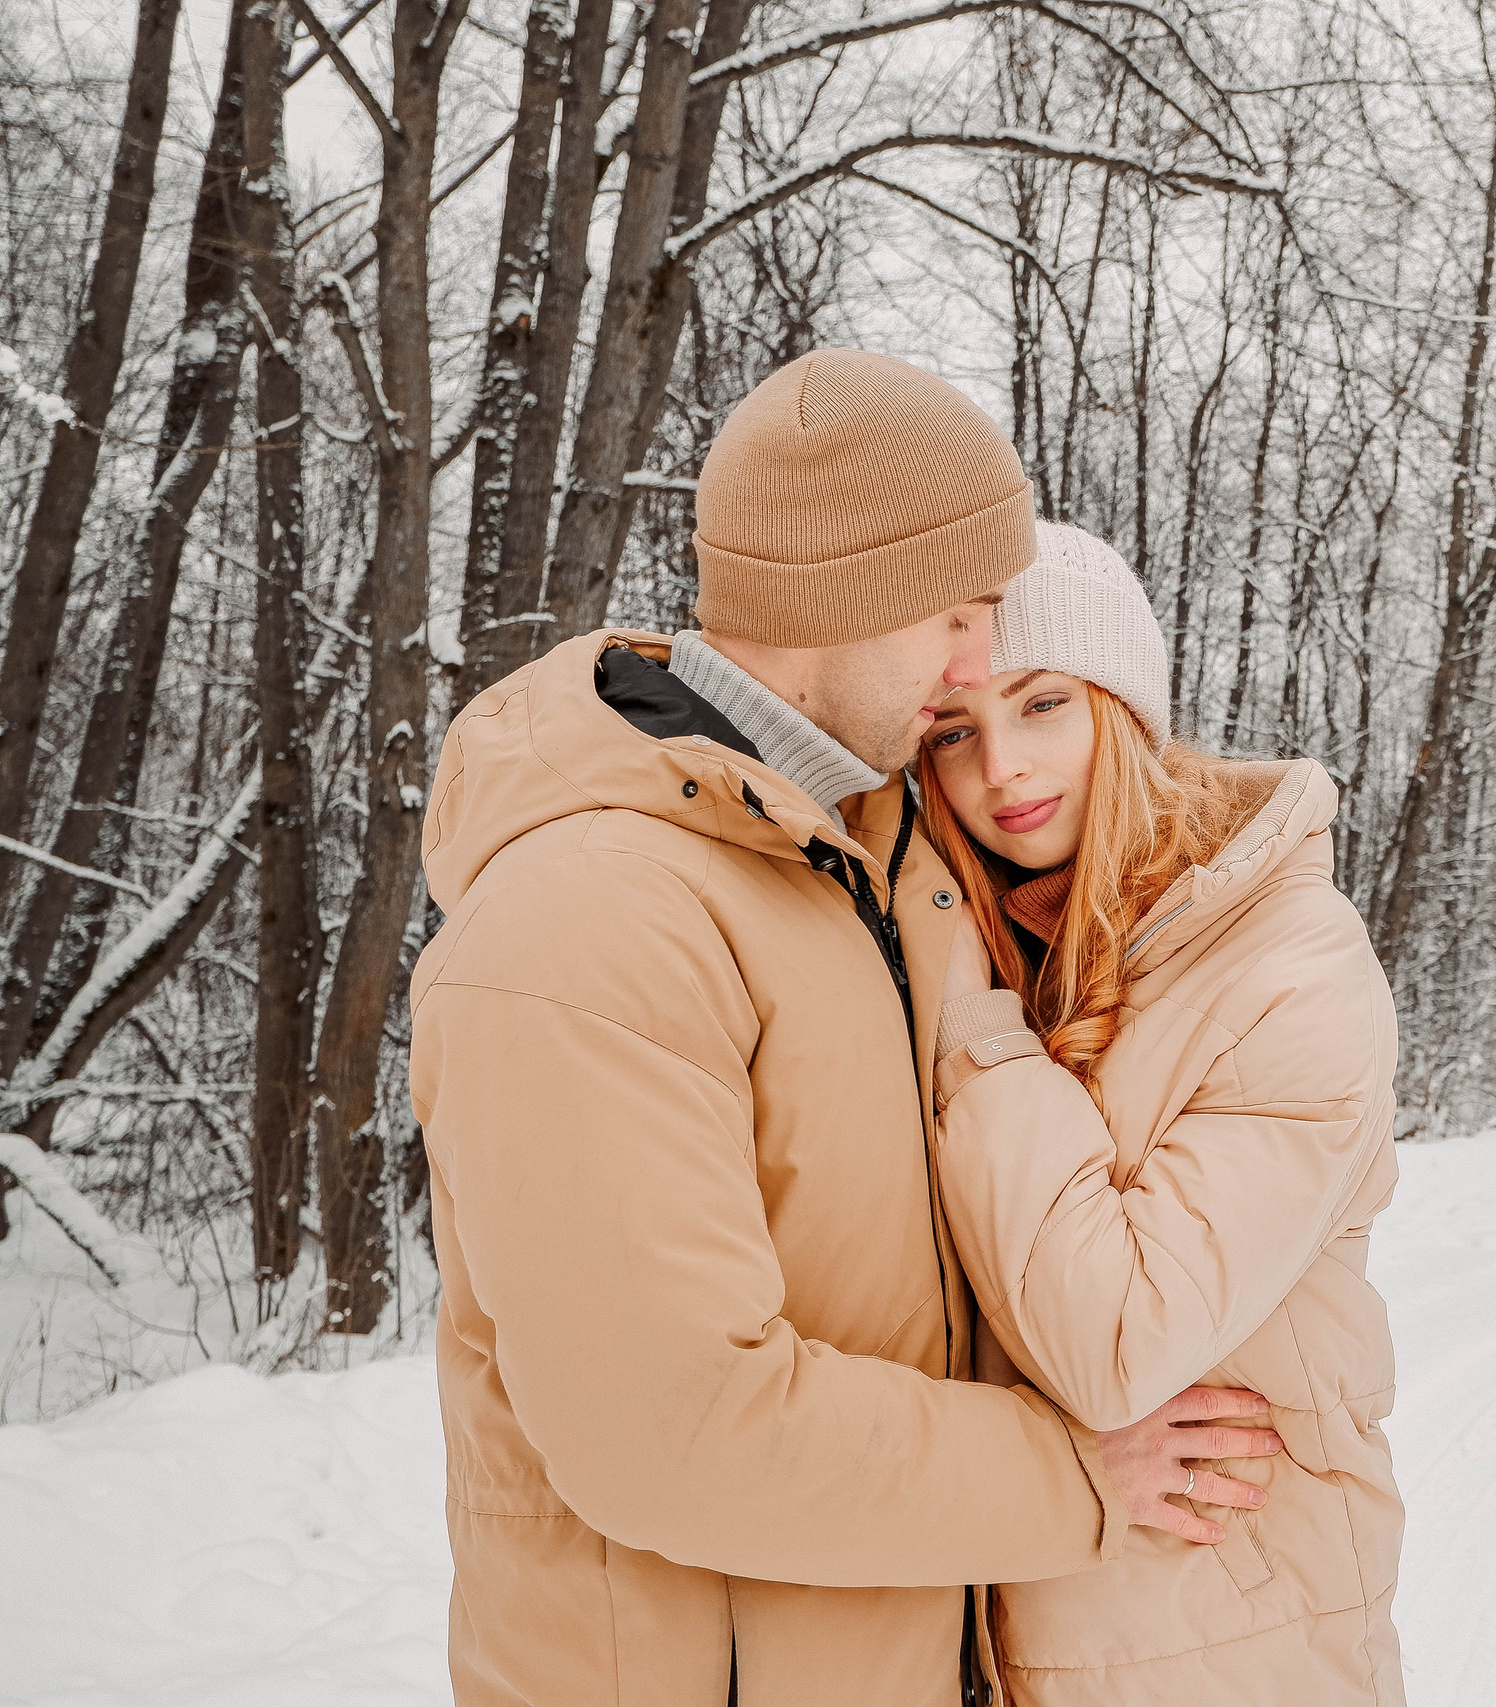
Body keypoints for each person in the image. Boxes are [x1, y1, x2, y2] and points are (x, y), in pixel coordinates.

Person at [409, 351, 1279, 1707]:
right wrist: (1071, 1476)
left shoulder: (869, 858)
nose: (983, 659)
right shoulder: (588, 921)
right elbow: (676, 1430)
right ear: (852, 593)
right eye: (964, 611)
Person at [916, 521, 1405, 1706]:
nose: (1004, 774)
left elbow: (1118, 1339)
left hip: (1223, 1639)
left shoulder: (1292, 966)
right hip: (1016, 1616)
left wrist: (970, 1019)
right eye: (954, 732)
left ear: (1120, 711)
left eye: (1042, 707)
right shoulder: (1010, 939)